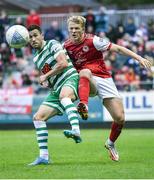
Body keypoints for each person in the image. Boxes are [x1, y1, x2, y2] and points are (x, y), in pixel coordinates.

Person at [64, 16, 152, 161]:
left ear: (83, 29)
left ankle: (110, 143)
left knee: (120, 118)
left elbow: (118, 48)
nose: (73, 31)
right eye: (71, 28)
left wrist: (140, 58)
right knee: (84, 72)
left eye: (76, 28)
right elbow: (59, 63)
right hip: (86, 80)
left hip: (104, 78)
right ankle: (83, 105)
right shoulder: (65, 46)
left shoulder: (94, 40)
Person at [27, 25, 82, 166]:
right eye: (30, 37)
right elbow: (50, 73)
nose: (33, 39)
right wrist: (48, 82)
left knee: (65, 97)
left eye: (35, 35)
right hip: (56, 88)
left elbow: (63, 63)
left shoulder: (52, 44)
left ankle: (76, 131)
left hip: (70, 78)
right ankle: (44, 157)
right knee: (38, 118)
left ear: (42, 35)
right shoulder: (36, 58)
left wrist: (45, 76)